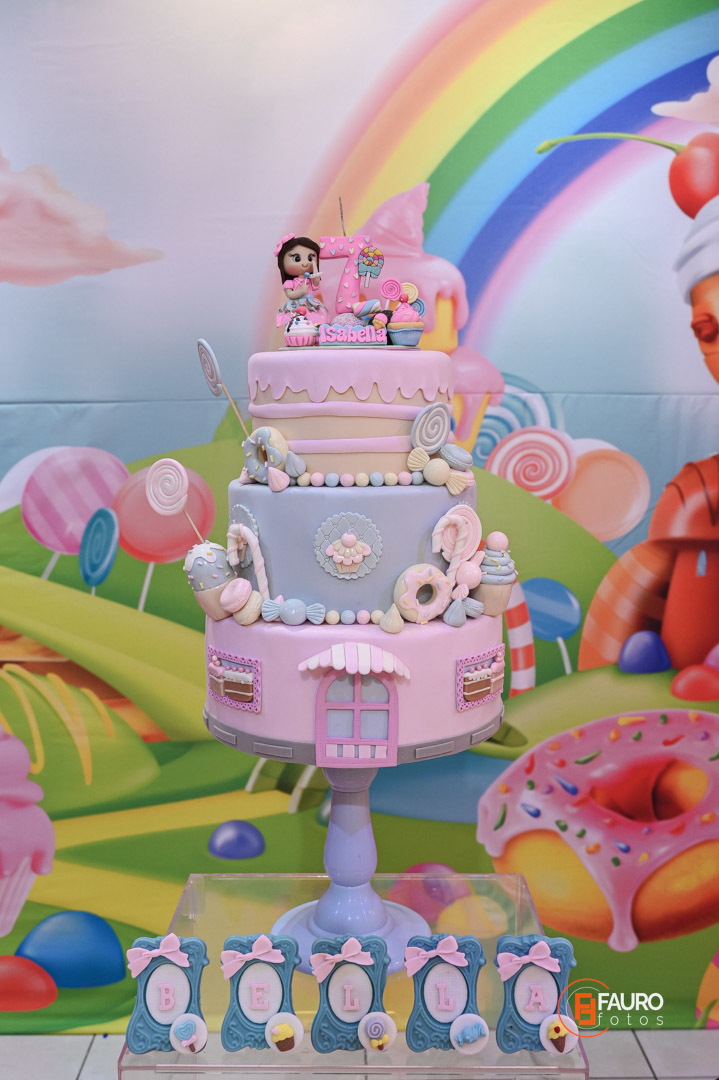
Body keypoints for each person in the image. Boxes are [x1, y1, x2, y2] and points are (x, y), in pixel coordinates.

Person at [275, 234, 330, 326]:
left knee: (313, 321)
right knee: (296, 324)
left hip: (310, 303)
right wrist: (300, 291)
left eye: (310, 258)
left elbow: (316, 281)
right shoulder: (289, 282)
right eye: (297, 259)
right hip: (295, 305)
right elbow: (290, 294)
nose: (305, 263)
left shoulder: (309, 279)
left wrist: (314, 267)